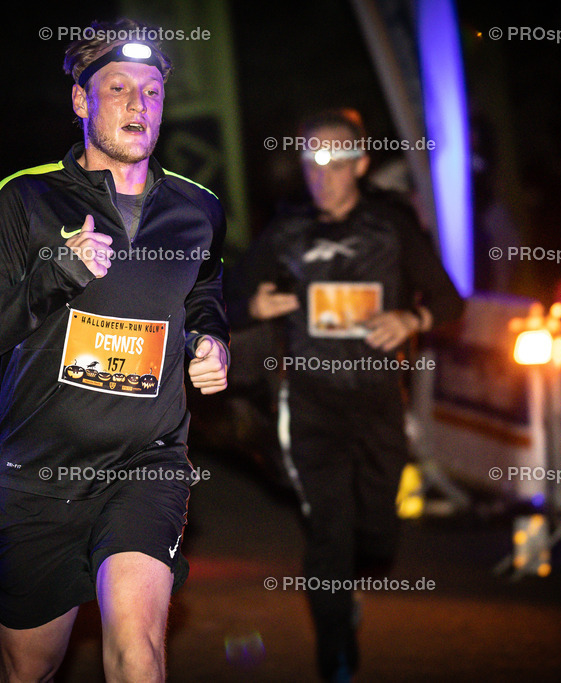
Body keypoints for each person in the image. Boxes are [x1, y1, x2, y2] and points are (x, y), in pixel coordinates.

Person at [0, 18, 229, 682]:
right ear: (79, 100)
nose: (137, 105)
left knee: (137, 649)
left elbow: (206, 288)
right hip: (38, 476)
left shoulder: (198, 208)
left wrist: (213, 340)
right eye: (118, 87)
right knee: (26, 668)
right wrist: (51, 275)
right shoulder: (25, 198)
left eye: (151, 91)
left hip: (146, 465)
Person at [234, 108, 463, 681]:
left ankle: (354, 578)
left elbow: (452, 303)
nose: (322, 171)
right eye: (312, 159)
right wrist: (252, 308)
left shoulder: (392, 228)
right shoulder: (285, 231)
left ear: (361, 164)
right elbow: (227, 294)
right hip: (311, 401)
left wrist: (412, 318)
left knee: (377, 532)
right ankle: (336, 649)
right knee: (329, 529)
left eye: (336, 159)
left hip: (379, 400)